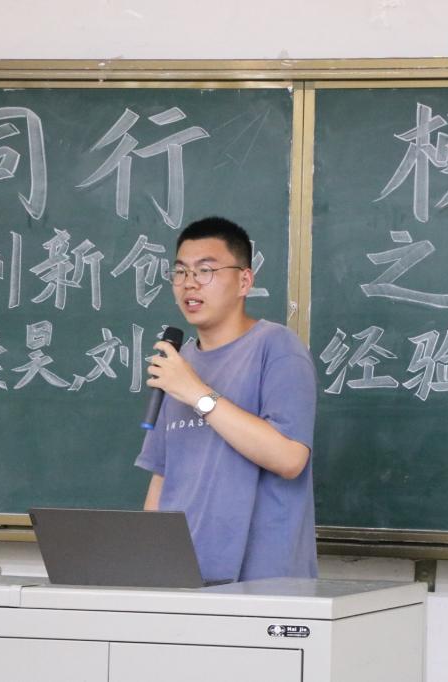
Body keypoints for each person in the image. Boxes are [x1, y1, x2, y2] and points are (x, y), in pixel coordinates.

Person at [135, 216, 318, 583]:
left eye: (205, 271)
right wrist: (145, 566)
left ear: (244, 281)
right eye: (181, 272)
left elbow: (290, 459)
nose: (189, 283)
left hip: (265, 583)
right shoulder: (178, 364)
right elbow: (163, 478)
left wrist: (198, 394)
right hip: (184, 578)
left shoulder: (278, 348)